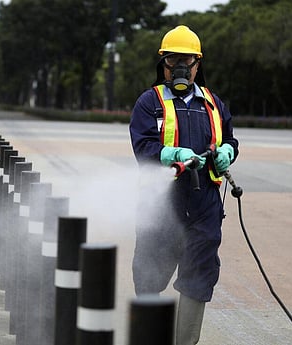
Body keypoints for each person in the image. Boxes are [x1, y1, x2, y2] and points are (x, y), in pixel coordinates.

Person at [129, 25, 239, 345]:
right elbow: (142, 148)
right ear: (162, 63)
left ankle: (184, 342)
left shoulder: (214, 104)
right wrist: (172, 154)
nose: (179, 67)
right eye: (172, 60)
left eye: (186, 60)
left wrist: (227, 153)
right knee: (149, 276)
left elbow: (229, 138)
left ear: (197, 64)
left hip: (204, 203)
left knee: (198, 276)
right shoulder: (150, 103)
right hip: (162, 203)